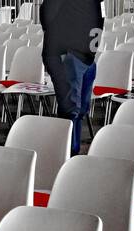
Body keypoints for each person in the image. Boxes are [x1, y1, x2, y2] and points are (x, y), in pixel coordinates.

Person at [40, 0, 104, 155]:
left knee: (81, 109)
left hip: (86, 57)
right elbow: (47, 15)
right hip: (68, 55)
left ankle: (70, 152)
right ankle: (67, 155)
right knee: (71, 109)